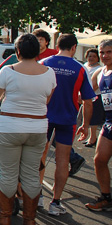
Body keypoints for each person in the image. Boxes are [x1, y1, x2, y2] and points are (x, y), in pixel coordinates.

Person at [0, 33, 56, 225]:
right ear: (38, 50)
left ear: (18, 51)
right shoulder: (49, 73)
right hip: (37, 128)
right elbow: (46, 100)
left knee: (9, 174)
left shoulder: (8, 71)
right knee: (30, 175)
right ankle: (29, 219)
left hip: (10, 126)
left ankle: (4, 217)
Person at [40, 33, 94, 216]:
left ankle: (36, 196)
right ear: (74, 48)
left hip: (43, 117)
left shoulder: (44, 63)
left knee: (39, 156)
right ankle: (55, 203)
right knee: (62, 161)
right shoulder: (79, 68)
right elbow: (88, 101)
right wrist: (85, 125)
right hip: (67, 119)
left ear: (56, 44)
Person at [85, 39, 112, 211]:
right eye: (102, 52)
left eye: (109, 52)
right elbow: (88, 93)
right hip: (109, 122)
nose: (104, 56)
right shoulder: (99, 73)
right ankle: (106, 197)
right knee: (99, 159)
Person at [83, 48, 104, 147]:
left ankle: (93, 138)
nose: (91, 58)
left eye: (94, 56)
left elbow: (95, 85)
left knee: (94, 119)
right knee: (87, 118)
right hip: (85, 96)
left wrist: (89, 93)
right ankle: (90, 137)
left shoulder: (98, 69)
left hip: (95, 96)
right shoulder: (85, 66)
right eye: (90, 56)